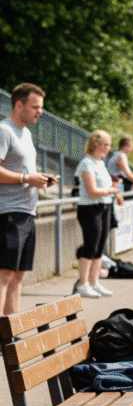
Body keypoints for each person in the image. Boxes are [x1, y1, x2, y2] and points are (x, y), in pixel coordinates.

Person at [0, 83, 57, 315]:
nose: (39, 112)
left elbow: (25, 172)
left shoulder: (26, 132)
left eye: (41, 108)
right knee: (4, 275)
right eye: (35, 107)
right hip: (10, 212)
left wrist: (41, 179)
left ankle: (10, 334)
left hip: (27, 212)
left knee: (18, 275)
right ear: (19, 104)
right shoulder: (4, 130)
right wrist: (27, 178)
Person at [73, 130, 123, 298]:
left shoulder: (100, 163)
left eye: (109, 145)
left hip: (104, 207)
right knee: (90, 246)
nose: (108, 149)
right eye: (105, 145)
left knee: (100, 247)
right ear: (96, 144)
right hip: (90, 208)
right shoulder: (87, 164)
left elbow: (104, 189)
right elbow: (92, 191)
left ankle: (94, 282)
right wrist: (110, 190)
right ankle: (83, 283)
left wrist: (112, 192)